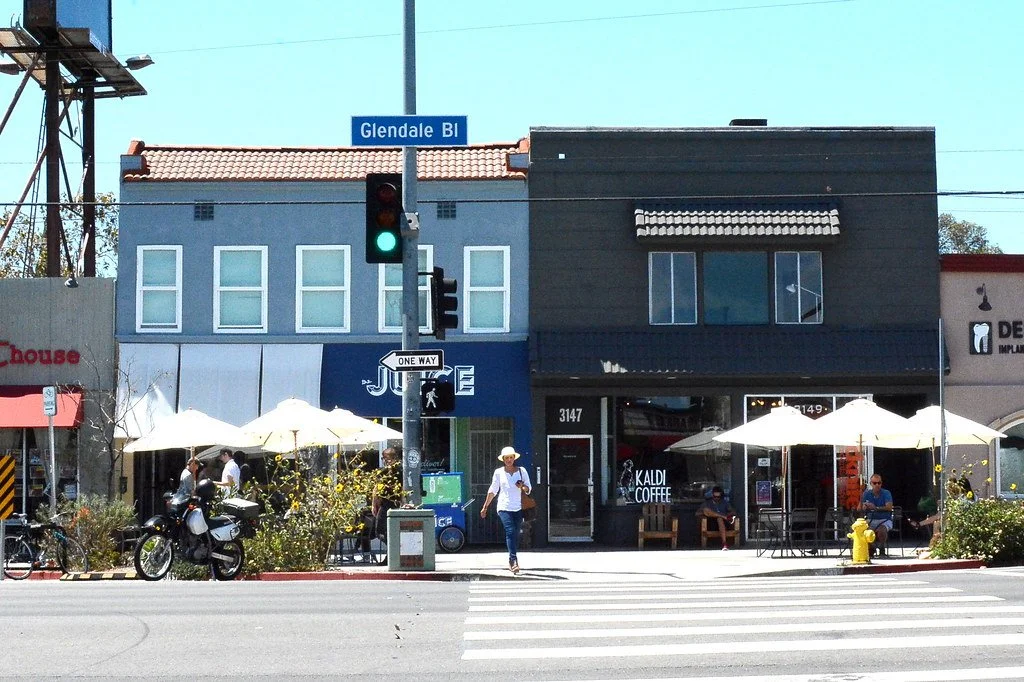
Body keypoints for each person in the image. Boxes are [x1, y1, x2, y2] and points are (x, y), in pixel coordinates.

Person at [480, 446, 532, 575]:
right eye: (506, 458)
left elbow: (528, 489)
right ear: (503, 459)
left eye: (511, 457)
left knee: (515, 533)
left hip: (518, 507)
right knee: (510, 531)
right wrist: (485, 506)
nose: (509, 460)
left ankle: (511, 559)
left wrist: (522, 486)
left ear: (514, 458)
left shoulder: (522, 471)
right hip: (504, 507)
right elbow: (493, 490)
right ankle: (513, 560)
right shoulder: (498, 472)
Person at [859, 473, 894, 555]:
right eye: (875, 483)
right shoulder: (866, 494)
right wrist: (864, 507)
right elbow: (858, 508)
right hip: (870, 519)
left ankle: (882, 548)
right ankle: (872, 547)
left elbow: (889, 507)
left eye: (879, 483)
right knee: (862, 530)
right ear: (871, 484)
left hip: (884, 519)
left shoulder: (886, 493)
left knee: (882, 530)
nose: (877, 485)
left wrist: (875, 508)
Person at [698, 486, 737, 550]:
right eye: (715, 496)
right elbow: (698, 513)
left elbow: (733, 512)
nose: (716, 498)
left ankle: (724, 544)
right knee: (706, 510)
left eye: (718, 497)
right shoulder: (707, 503)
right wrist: (712, 514)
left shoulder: (724, 503)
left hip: (723, 524)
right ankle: (722, 517)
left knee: (719, 519)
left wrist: (726, 515)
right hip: (710, 523)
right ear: (712, 495)